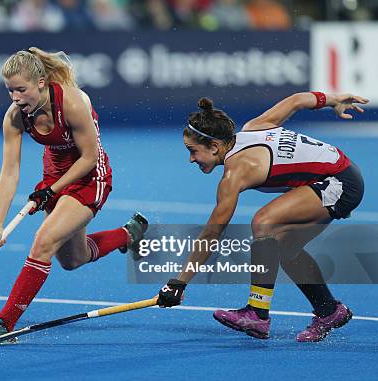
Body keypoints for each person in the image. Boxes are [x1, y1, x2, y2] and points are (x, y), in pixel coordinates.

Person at [156, 92, 368, 342]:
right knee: (286, 247)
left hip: (339, 182)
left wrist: (179, 282)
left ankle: (257, 313)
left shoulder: (235, 175)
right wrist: (331, 100)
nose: (191, 159)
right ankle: (329, 311)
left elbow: (213, 233)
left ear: (214, 146)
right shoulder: (254, 127)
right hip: (336, 174)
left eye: (193, 151)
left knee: (264, 222)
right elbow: (297, 101)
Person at [0, 47, 148, 342]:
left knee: (43, 241)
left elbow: (89, 158)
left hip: (90, 175)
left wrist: (50, 191)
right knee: (73, 259)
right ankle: (128, 234)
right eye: (10, 91)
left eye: (21, 89)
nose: (15, 98)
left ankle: (5, 321)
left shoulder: (72, 102)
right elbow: (9, 171)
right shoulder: (15, 116)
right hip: (54, 175)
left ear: (40, 83)